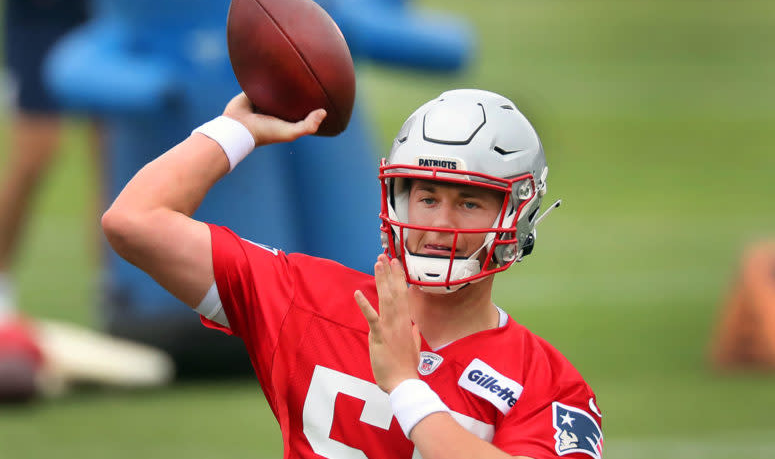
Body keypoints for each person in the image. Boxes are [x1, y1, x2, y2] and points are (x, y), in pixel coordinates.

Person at [102, 89, 604, 458]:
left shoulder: (549, 385)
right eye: (426, 197)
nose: (439, 224)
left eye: (468, 202)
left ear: (516, 216)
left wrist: (407, 387)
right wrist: (238, 132)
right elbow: (134, 222)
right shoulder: (308, 299)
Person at [0, 0, 91, 400]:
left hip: (108, 12)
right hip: (42, 11)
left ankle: (118, 295)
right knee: (35, 154)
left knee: (119, 161)